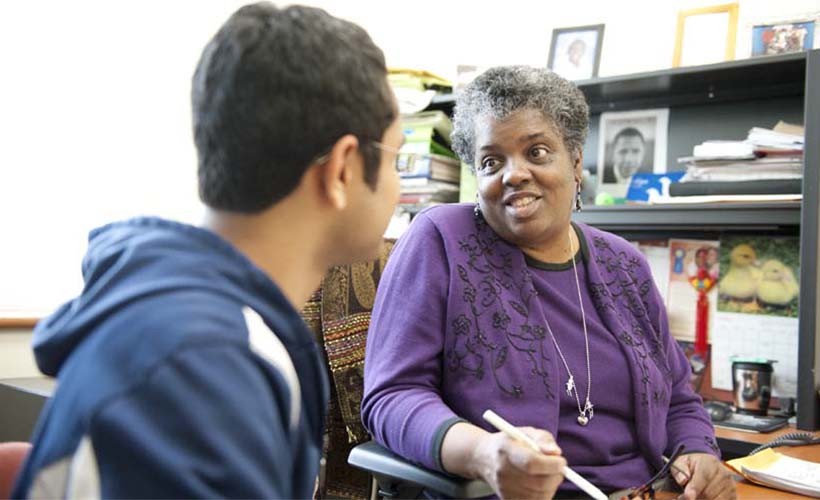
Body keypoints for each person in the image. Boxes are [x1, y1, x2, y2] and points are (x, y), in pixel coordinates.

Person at [12, 3, 401, 498]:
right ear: (343, 168)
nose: (398, 186)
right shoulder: (200, 365)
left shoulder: (227, 333)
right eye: (397, 154)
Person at [362, 66, 735, 499]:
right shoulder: (441, 240)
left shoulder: (624, 264)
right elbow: (392, 397)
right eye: (491, 161)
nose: (513, 174)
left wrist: (698, 451)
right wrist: (482, 452)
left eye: (536, 152)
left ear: (576, 162)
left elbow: (678, 396)